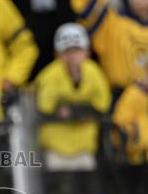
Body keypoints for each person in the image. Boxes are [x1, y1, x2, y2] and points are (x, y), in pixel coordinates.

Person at [33, 23, 112, 170]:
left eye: (77, 51)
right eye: (67, 52)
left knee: (87, 188)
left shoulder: (94, 72)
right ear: (57, 55)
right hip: (56, 148)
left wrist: (72, 110)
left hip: (85, 147)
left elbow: (103, 105)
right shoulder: (50, 75)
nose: (72, 57)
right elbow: (45, 107)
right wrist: (83, 109)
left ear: (87, 53)